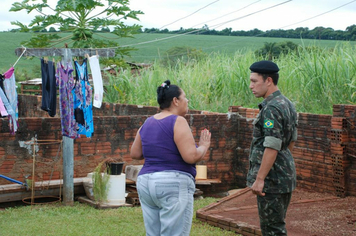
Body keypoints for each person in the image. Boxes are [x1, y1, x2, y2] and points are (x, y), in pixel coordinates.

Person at [130, 80, 211, 236]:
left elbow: (135, 154)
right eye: (185, 97)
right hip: (172, 182)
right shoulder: (178, 121)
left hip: (146, 183)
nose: (187, 101)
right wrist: (204, 146)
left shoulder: (148, 122)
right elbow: (191, 157)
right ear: (175, 101)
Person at [246, 60, 298, 236]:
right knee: (276, 226)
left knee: (272, 230)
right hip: (284, 175)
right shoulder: (287, 103)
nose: (251, 86)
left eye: (254, 81)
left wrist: (260, 179)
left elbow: (272, 145)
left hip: (272, 180)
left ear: (268, 80)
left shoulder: (271, 108)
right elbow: (291, 141)